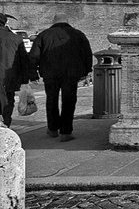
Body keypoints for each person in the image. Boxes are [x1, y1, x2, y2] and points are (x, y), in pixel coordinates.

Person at [29, 14, 93, 142]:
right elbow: (87, 54)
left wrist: (33, 74)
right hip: (71, 73)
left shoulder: (44, 35)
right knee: (69, 101)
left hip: (50, 73)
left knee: (51, 100)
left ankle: (52, 129)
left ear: (53, 21)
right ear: (68, 21)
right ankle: (66, 132)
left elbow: (33, 56)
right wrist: (86, 71)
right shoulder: (78, 34)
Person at [0, 13, 31, 128]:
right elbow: (24, 59)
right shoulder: (16, 38)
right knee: (8, 101)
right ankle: (5, 126)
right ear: (5, 23)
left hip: (8, 75)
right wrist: (25, 79)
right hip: (9, 76)